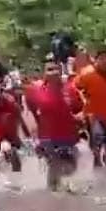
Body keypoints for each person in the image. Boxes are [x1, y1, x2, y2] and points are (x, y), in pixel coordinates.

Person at [24, 57, 82, 191]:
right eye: (49, 70)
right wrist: (33, 137)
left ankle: (58, 189)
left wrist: (80, 121)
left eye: (56, 69)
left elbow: (81, 109)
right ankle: (52, 194)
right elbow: (29, 111)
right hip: (47, 137)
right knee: (54, 164)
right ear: (44, 73)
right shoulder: (35, 90)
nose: (53, 72)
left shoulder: (70, 89)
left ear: (61, 71)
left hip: (69, 136)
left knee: (70, 168)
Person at [73, 45, 106, 168]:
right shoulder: (87, 73)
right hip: (94, 115)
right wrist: (83, 103)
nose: (105, 61)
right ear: (96, 59)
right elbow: (76, 88)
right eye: (102, 58)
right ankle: (97, 167)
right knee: (97, 140)